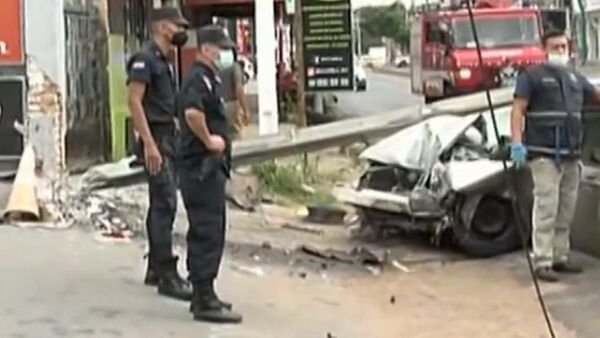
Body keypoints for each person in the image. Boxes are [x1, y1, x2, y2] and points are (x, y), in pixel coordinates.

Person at [510, 29, 600, 282]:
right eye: (555, 46)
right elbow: (518, 110)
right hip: (544, 153)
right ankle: (542, 260)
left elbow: (595, 96)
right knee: (546, 207)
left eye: (563, 46)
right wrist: (517, 143)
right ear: (544, 49)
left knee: (567, 209)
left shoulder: (575, 78)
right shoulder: (531, 77)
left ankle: (560, 257)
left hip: (572, 154)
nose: (561, 51)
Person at [177, 25, 243, 323]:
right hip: (200, 169)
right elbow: (192, 113)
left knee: (212, 231)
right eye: (220, 48)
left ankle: (206, 294)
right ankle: (203, 299)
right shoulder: (197, 79)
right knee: (206, 231)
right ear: (205, 48)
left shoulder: (209, 78)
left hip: (208, 169)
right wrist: (209, 140)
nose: (224, 53)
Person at [126, 6, 192, 300]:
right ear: (163, 27)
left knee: (161, 203)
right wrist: (149, 144)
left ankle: (155, 266)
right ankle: (166, 273)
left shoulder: (166, 60)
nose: (181, 32)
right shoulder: (145, 59)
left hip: (169, 137)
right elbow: (135, 102)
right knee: (165, 202)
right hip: (157, 140)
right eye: (177, 26)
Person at [220, 49, 250, 139]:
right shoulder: (235, 67)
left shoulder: (216, 67)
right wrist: (245, 109)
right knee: (234, 135)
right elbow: (238, 88)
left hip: (218, 105)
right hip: (231, 105)